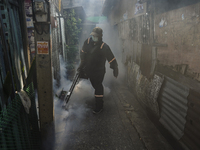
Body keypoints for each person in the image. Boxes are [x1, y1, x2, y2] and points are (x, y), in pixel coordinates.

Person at [77, 27, 118, 114]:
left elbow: (111, 58)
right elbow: (82, 52)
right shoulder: (87, 42)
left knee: (98, 86)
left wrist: (115, 68)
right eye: (93, 35)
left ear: (100, 36)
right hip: (89, 69)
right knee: (94, 85)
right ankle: (95, 99)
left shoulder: (104, 46)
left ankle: (99, 106)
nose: (93, 37)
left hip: (99, 71)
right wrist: (81, 65)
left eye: (96, 36)